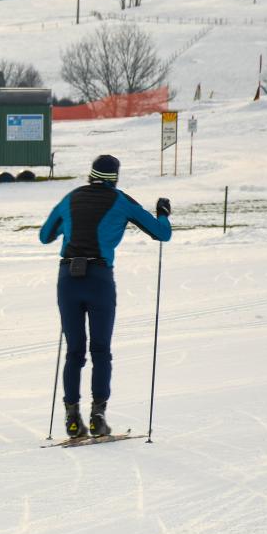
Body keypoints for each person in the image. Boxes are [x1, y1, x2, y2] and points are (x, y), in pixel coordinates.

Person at [39, 155, 171, 438]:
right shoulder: (121, 200)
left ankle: (71, 418)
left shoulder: (70, 198)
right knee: (100, 350)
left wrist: (70, 226)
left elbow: (44, 235)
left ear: (90, 174)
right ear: (115, 178)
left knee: (74, 351)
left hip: (67, 279)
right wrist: (162, 212)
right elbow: (162, 234)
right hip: (98, 279)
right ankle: (98, 415)